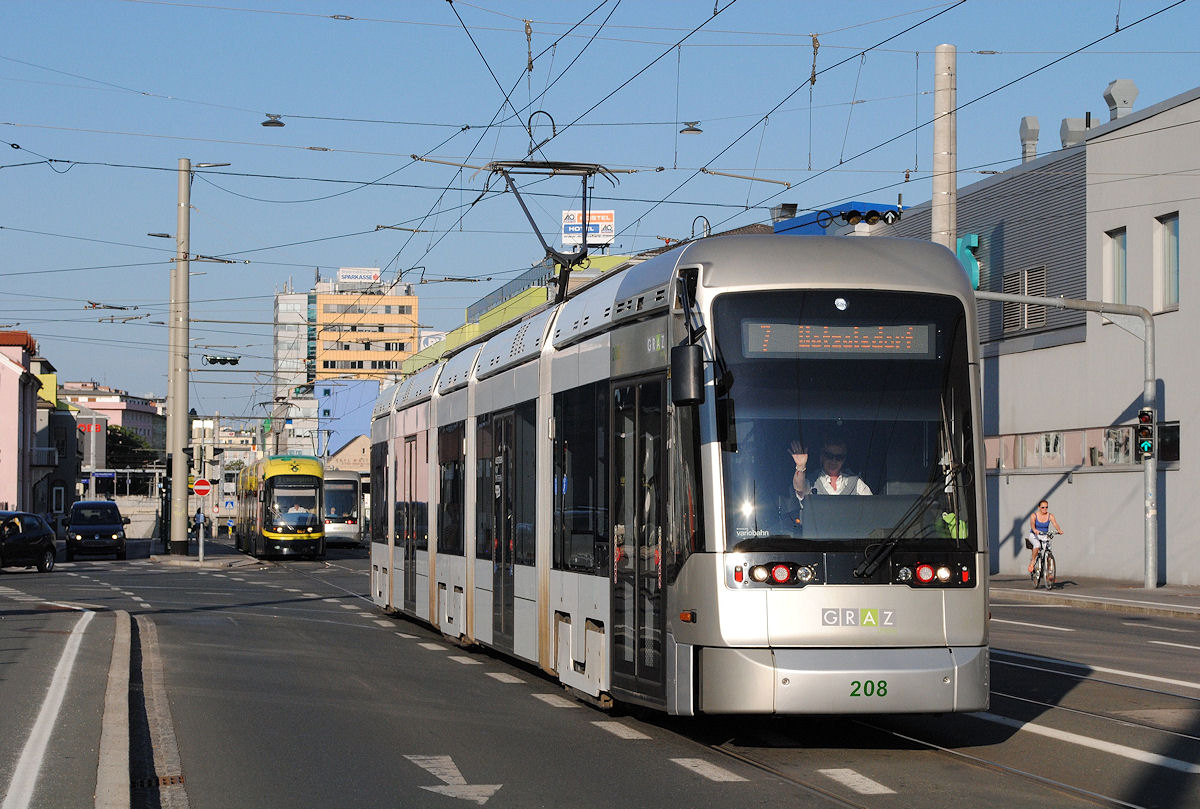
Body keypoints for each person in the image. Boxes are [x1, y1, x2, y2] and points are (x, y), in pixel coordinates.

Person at [796, 435, 873, 498]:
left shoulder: (855, 483)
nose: (833, 461)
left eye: (839, 457)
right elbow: (799, 488)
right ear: (822, 456)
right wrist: (800, 466)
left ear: (844, 460)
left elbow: (871, 506)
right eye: (829, 456)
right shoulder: (812, 481)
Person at [1027, 499, 1064, 573]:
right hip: (1035, 535)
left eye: (1046, 507)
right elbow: (1032, 524)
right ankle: (1033, 561)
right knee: (1037, 545)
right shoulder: (1034, 515)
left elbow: (1055, 523)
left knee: (1048, 551)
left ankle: (1049, 574)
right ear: (1039, 507)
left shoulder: (1050, 516)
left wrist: (1059, 530)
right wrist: (1034, 530)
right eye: (1043, 507)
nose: (1045, 509)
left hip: (1044, 535)